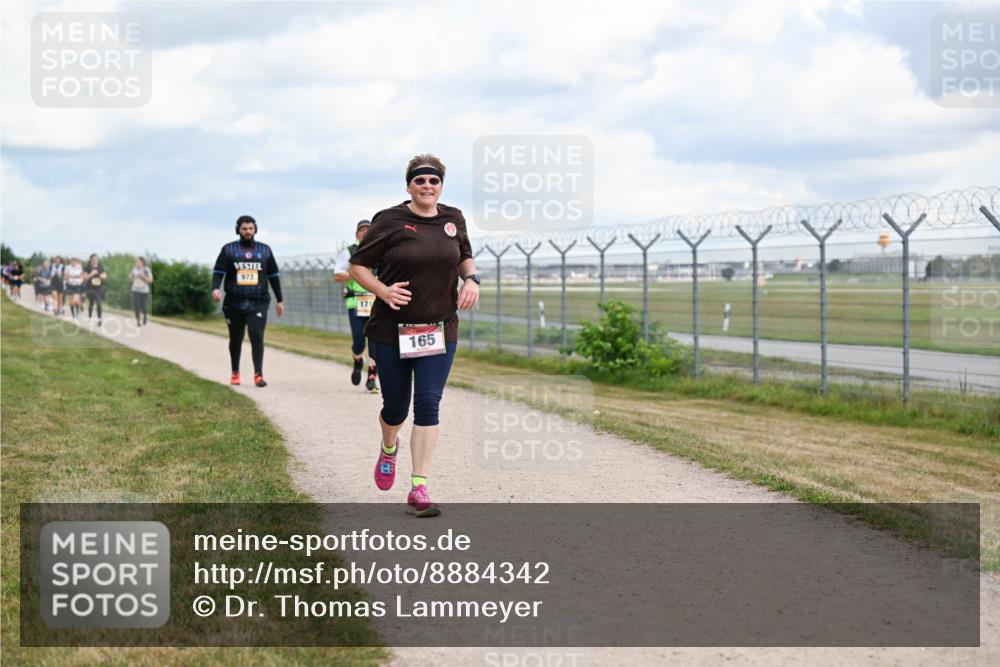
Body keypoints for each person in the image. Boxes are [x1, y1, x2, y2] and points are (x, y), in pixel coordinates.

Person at [348, 153, 480, 516]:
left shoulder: (453, 219)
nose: (427, 186)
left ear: (441, 186)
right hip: (391, 329)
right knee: (395, 407)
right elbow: (357, 266)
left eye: (433, 180)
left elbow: (464, 256)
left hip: (439, 327)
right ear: (409, 185)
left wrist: (471, 279)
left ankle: (419, 488)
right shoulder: (389, 220)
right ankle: (389, 447)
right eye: (420, 180)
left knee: (428, 402)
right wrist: (383, 290)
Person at [211, 215, 284, 387]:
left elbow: (273, 276)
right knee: (236, 338)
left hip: (258, 301)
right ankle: (235, 372)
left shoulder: (265, 250)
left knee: (256, 334)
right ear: (238, 230)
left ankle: (258, 374)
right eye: (244, 229)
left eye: (251, 228)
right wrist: (215, 288)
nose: (248, 232)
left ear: (255, 229)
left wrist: (280, 300)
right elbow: (218, 272)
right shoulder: (229, 250)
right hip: (234, 302)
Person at [334, 219, 379, 392]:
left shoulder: (379, 250)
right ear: (356, 233)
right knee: (359, 343)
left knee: (375, 341)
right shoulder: (349, 251)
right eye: (362, 230)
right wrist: (357, 274)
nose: (365, 232)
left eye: (369, 229)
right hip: (356, 302)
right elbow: (337, 275)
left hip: (376, 301)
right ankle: (358, 360)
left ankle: (372, 378)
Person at [83, 254, 108, 326]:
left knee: (98, 303)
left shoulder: (100, 266)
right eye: (93, 259)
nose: (94, 260)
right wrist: (92, 274)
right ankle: (90, 318)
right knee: (91, 303)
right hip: (90, 288)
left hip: (98, 288)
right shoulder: (87, 267)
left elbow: (104, 276)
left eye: (96, 259)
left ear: (97, 260)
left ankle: (99, 319)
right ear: (90, 260)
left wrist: (102, 275)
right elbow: (85, 278)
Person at [130, 257, 154, 326]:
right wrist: (131, 276)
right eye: (135, 261)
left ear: (142, 262)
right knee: (136, 305)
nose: (136, 263)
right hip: (135, 289)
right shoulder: (134, 269)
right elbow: (131, 278)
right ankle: (138, 321)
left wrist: (142, 276)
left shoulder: (146, 269)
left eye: (137, 261)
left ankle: (145, 316)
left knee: (142, 305)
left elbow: (151, 280)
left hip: (144, 291)